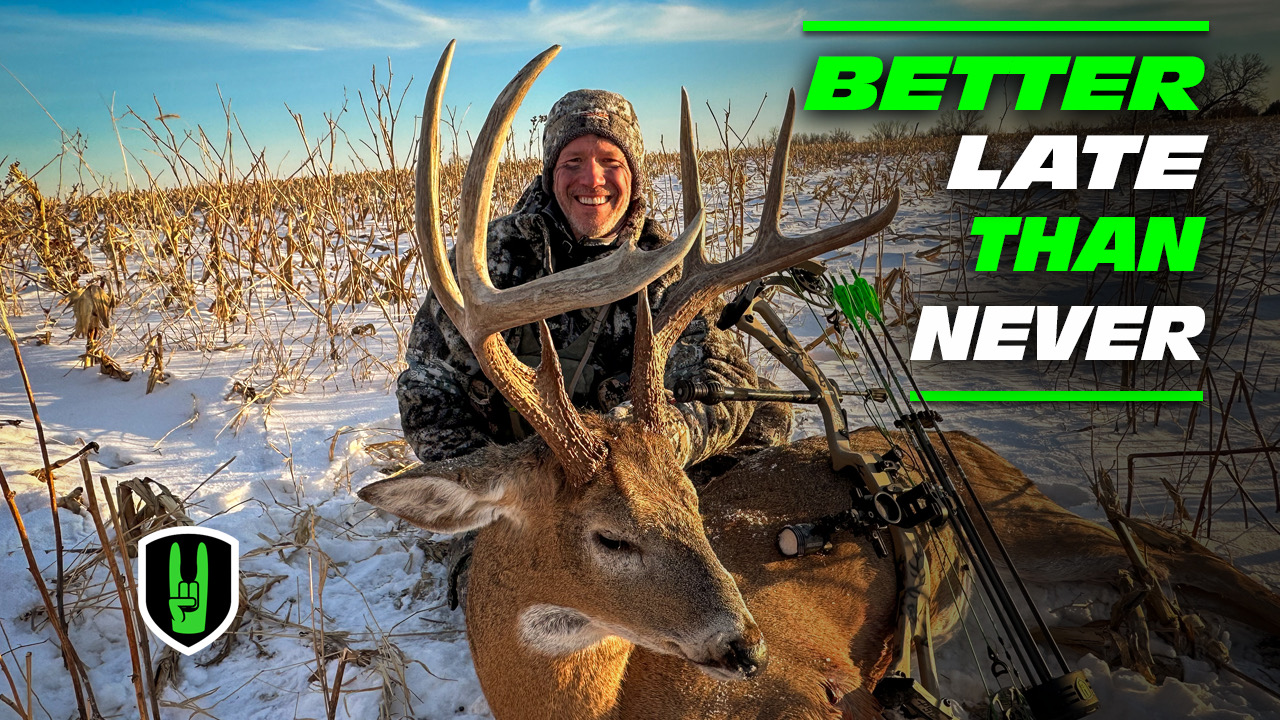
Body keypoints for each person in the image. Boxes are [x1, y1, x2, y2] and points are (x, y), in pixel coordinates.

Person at [398, 88, 791, 472]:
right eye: (572, 161)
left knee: (765, 415)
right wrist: (488, 484)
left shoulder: (670, 271)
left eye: (610, 160)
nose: (591, 178)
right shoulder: (488, 259)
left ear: (633, 176)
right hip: (518, 481)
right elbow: (427, 383)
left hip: (628, 479)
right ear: (551, 173)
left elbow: (722, 382)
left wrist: (650, 443)